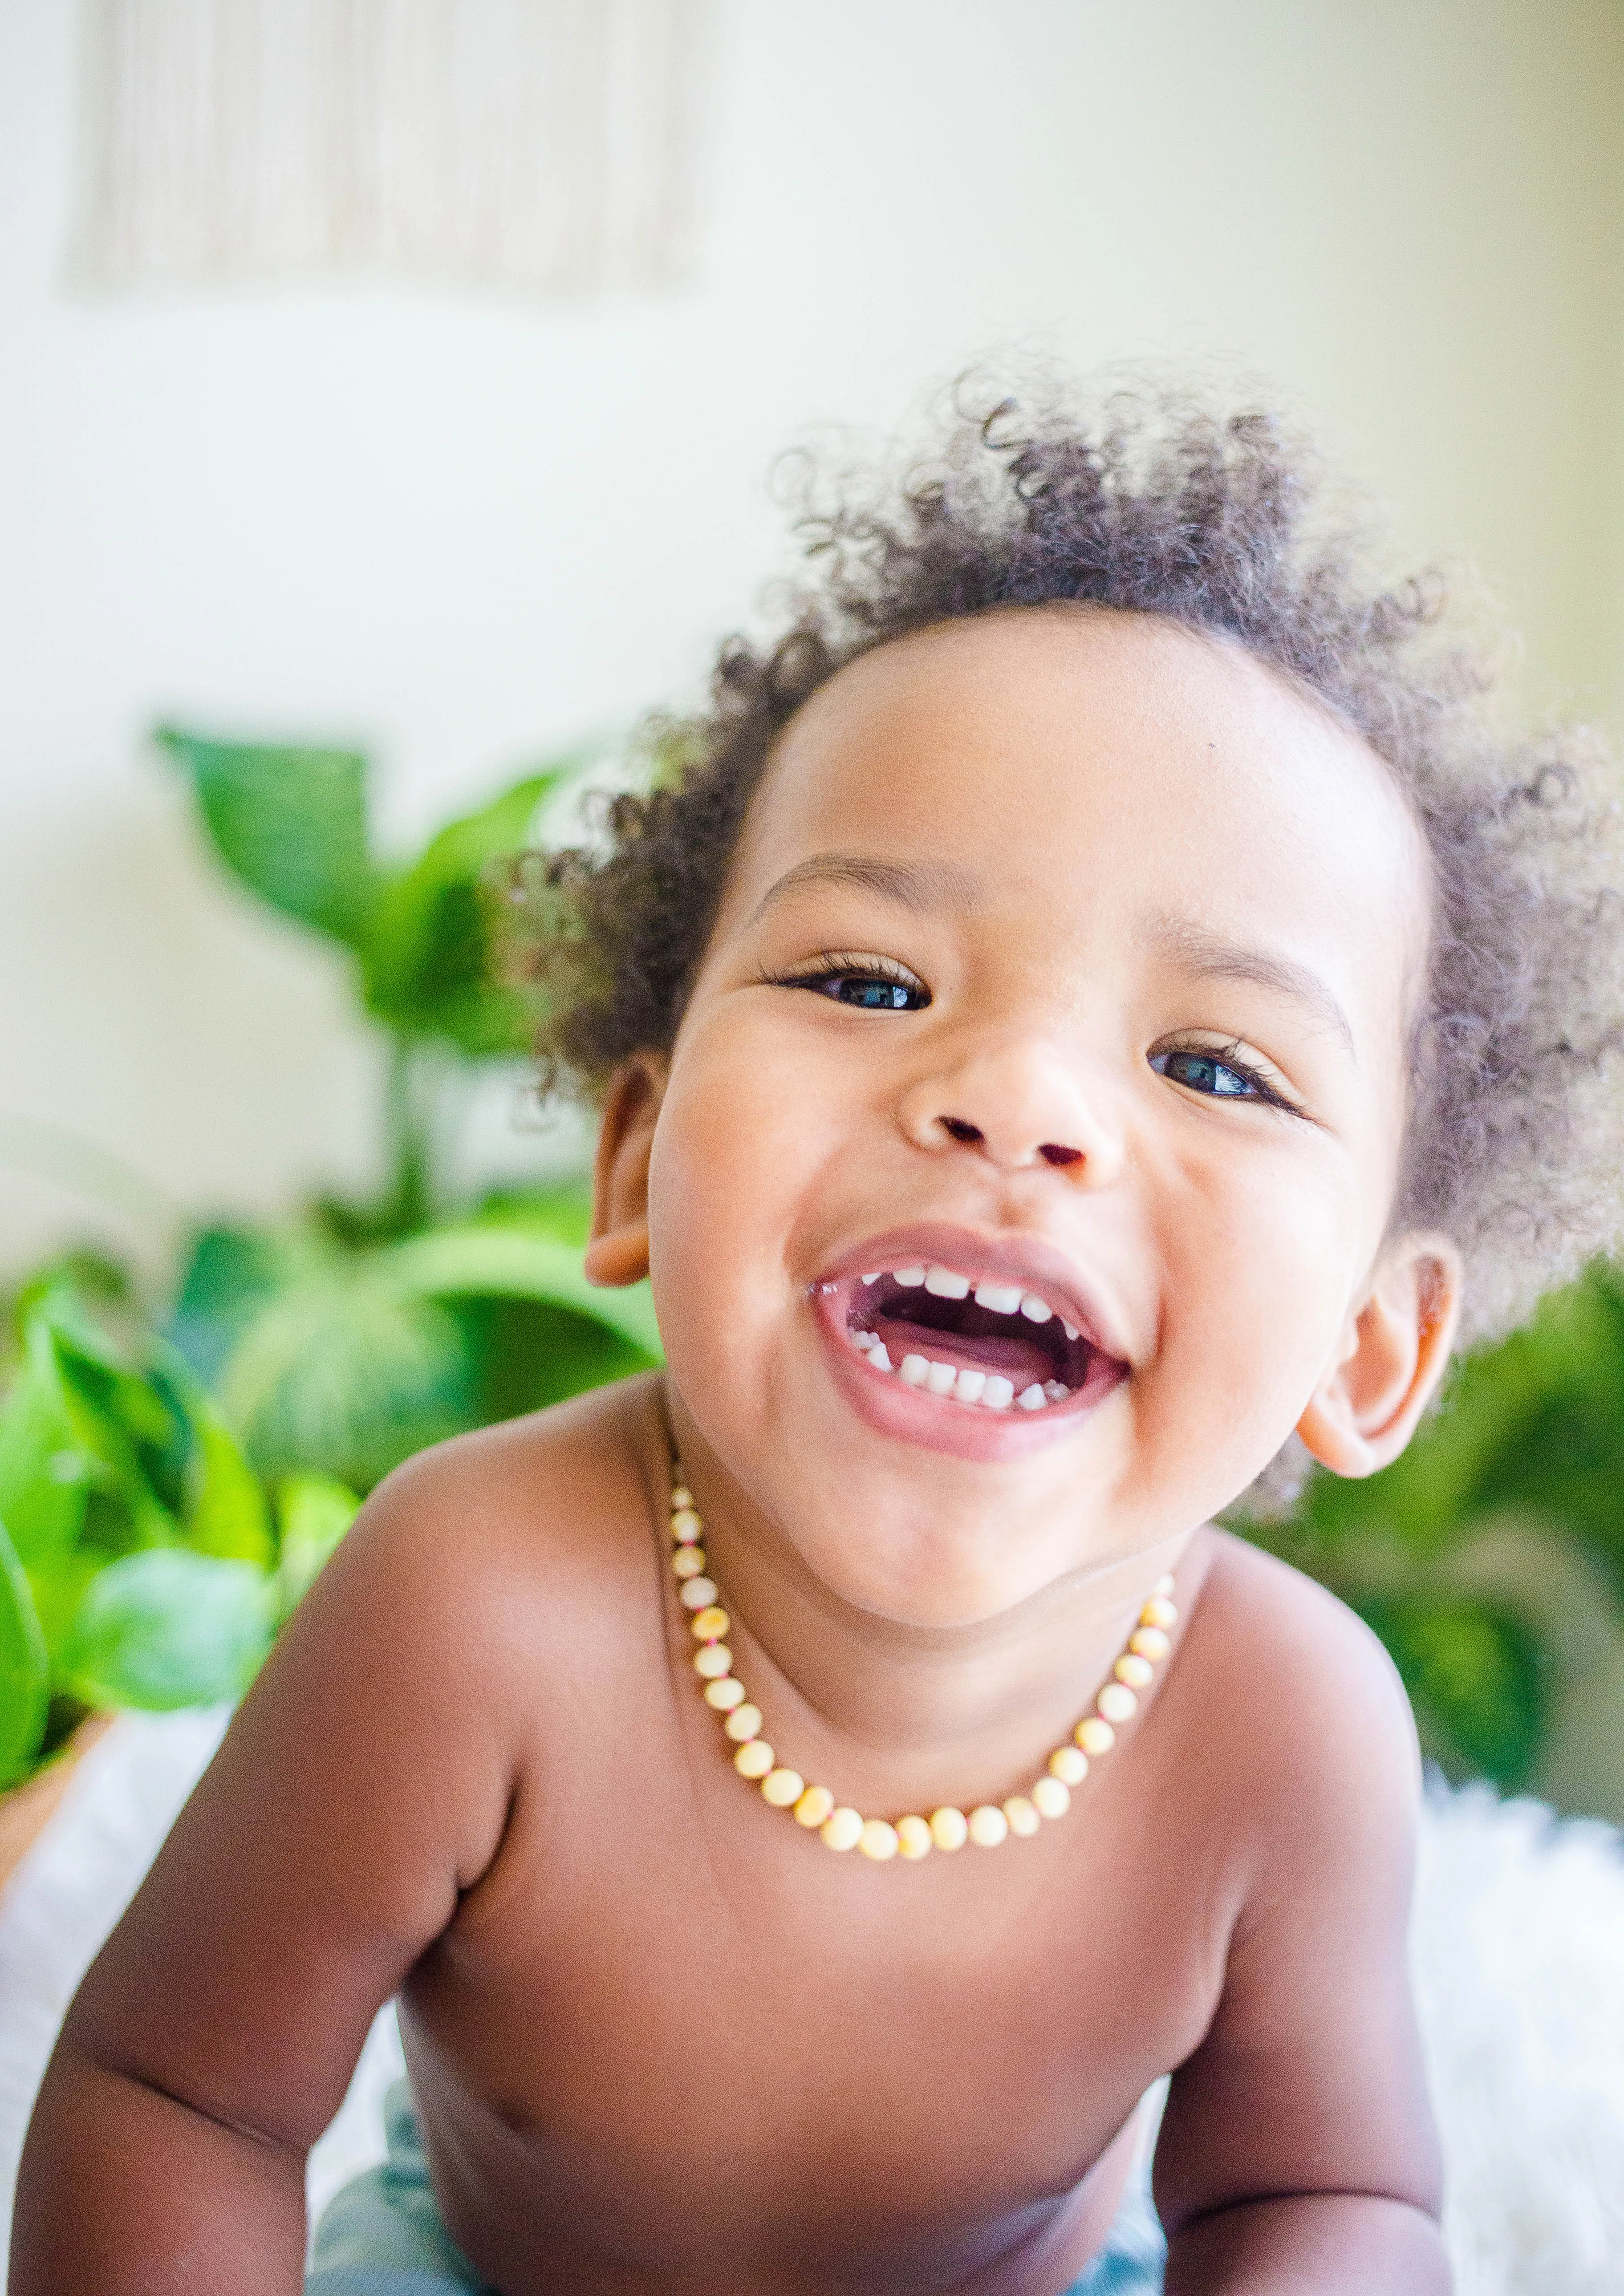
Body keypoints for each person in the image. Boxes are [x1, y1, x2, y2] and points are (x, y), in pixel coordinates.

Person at [14, 379, 1624, 2296]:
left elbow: (1326, 2205)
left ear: (1368, 1344)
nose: (1018, 1097)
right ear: (632, 1156)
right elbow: (176, 2101)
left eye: (1213, 1061)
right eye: (870, 978)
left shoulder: (1284, 1730)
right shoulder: (472, 1602)